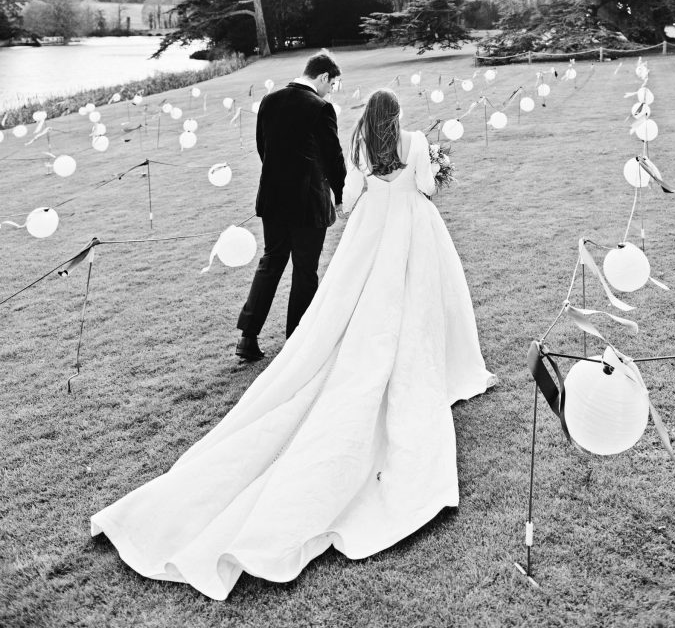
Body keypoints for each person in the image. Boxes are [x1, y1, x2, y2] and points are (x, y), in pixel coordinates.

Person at [90, 88, 496, 600]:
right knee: (417, 302)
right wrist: (434, 169)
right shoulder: (414, 142)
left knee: (358, 298)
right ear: (398, 116)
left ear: (370, 117)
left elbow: (357, 189)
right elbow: (426, 190)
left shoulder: (362, 143)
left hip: (370, 232)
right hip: (412, 229)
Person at [235, 50, 346, 362]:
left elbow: (263, 148)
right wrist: (340, 194)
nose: (331, 90)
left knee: (271, 261)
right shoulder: (321, 107)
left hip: (272, 198)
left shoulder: (269, 101)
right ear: (323, 76)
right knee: (305, 270)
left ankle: (248, 337)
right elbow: (333, 157)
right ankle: (297, 339)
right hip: (308, 202)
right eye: (333, 84)